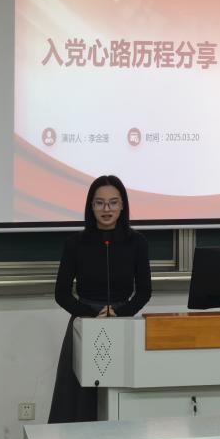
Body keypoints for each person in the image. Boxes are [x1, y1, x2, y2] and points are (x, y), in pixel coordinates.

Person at [48, 175, 151, 423]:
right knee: (77, 395)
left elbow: (144, 291)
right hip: (85, 321)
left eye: (113, 203)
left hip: (123, 322)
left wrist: (121, 312)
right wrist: (90, 313)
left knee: (119, 391)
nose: (107, 209)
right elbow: (61, 293)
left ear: (122, 206)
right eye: (100, 203)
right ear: (91, 206)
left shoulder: (137, 242)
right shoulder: (75, 243)